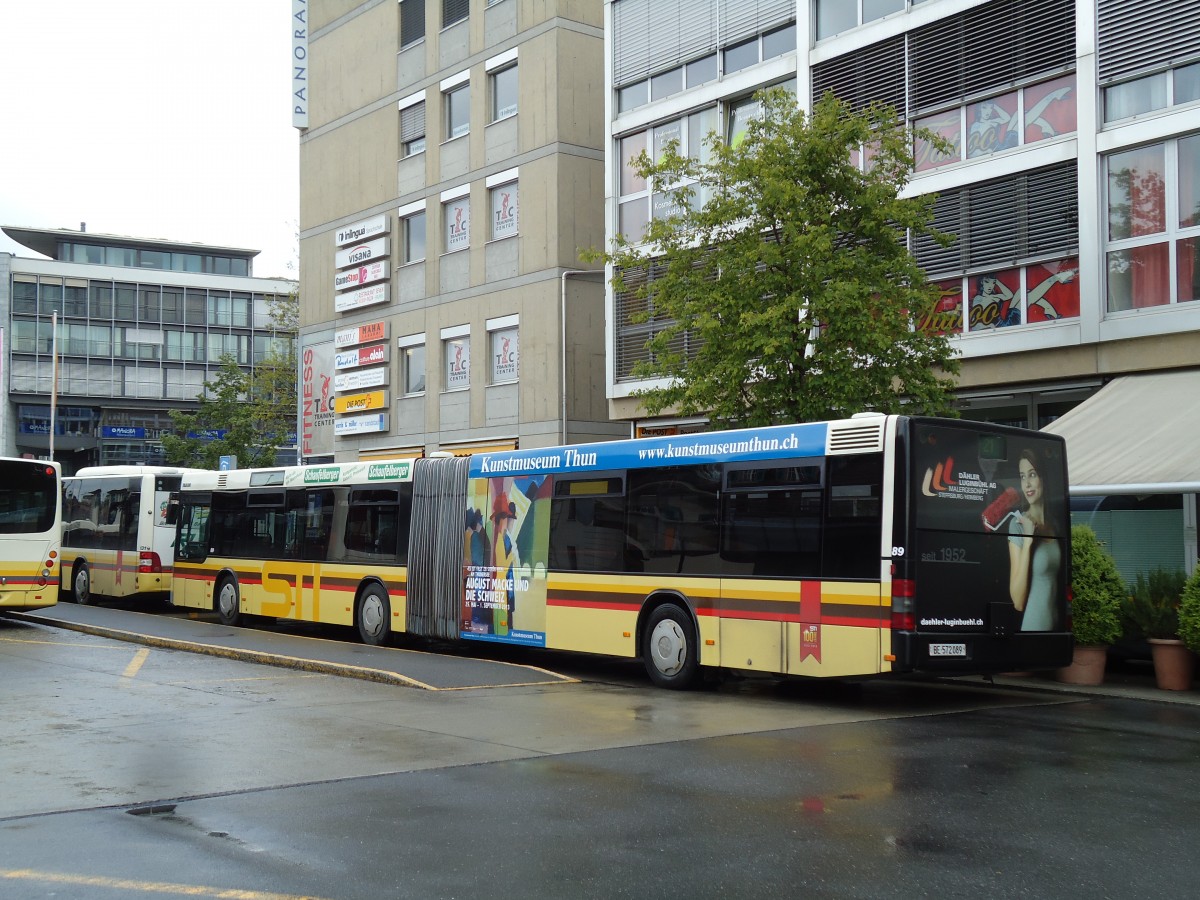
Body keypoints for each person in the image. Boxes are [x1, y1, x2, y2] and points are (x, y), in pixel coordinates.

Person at [1008, 449, 1061, 631]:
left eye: (1032, 474)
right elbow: (1018, 601)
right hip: (1034, 629)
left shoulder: (1055, 525)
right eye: (1023, 477)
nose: (1027, 484)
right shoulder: (1017, 525)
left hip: (1056, 630)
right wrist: (1028, 540)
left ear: (1043, 478)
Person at [491, 491, 520, 632]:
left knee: (507, 617)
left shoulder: (504, 538)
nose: (509, 521)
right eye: (507, 518)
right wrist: (513, 554)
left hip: (506, 584)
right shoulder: (502, 539)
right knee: (504, 620)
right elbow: (503, 566)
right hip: (503, 585)